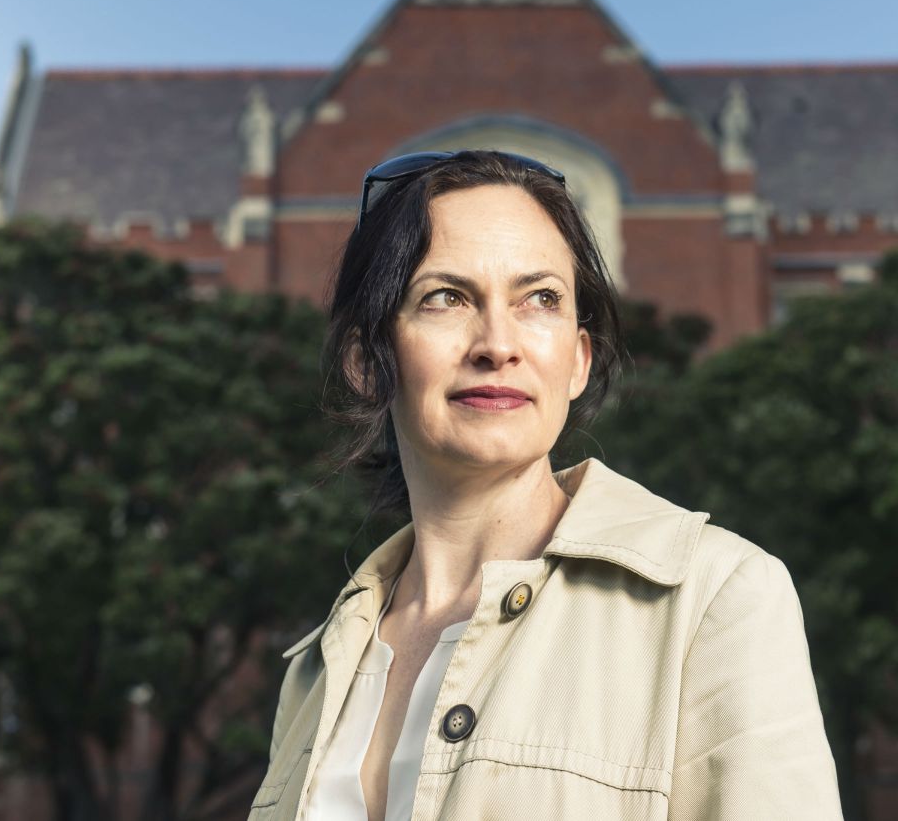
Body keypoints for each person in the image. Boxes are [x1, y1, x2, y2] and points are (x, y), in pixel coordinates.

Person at [248, 150, 843, 820]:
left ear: (578, 361)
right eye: (445, 297)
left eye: (540, 300)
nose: (498, 344)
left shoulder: (714, 597)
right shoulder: (317, 667)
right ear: (366, 361)